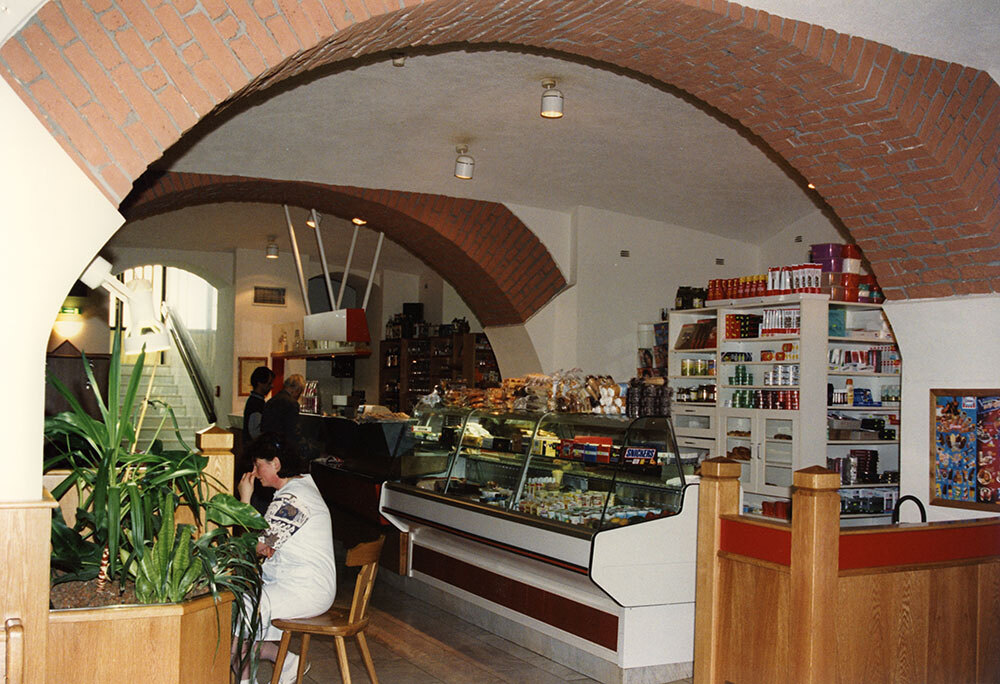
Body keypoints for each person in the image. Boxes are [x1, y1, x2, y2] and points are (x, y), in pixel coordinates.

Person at [235, 433, 337, 684]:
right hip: (299, 584)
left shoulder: (294, 500)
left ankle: (252, 678)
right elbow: (268, 545)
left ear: (276, 464)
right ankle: (289, 661)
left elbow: (260, 546)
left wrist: (244, 500)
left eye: (259, 465)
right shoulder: (295, 490)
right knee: (238, 618)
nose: (255, 472)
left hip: (306, 589)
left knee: (240, 611)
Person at [261, 374, 305, 445]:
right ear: (297, 390)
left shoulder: (271, 401)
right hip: (283, 446)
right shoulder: (292, 403)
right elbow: (293, 431)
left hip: (268, 443)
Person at [243, 366, 274, 441]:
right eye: (269, 383)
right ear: (260, 383)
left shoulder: (254, 401)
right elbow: (255, 433)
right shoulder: (256, 404)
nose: (272, 386)